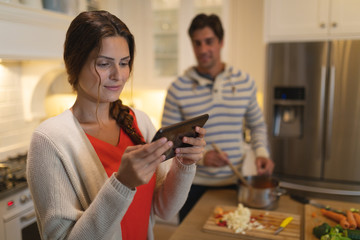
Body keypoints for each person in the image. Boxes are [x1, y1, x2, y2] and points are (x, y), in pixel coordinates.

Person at [26, 10, 206, 240]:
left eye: (124, 63)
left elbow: (164, 209)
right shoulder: (49, 140)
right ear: (74, 63)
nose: (118, 75)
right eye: (104, 64)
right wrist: (122, 184)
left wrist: (184, 163)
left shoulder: (139, 121)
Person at [161, 13, 274, 222]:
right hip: (191, 185)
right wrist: (202, 158)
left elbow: (257, 125)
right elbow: (167, 143)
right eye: (197, 43)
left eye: (209, 42)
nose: (203, 49)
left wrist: (261, 153)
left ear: (221, 42)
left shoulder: (244, 82)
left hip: (235, 185)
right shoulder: (177, 89)